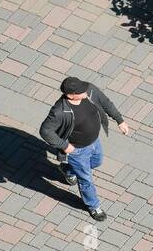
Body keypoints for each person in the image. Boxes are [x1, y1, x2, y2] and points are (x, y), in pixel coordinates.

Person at [38, 77, 130, 222]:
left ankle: (68, 169)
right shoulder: (60, 111)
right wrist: (66, 147)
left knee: (97, 162)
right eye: (81, 91)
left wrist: (119, 120)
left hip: (94, 142)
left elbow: (106, 103)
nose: (85, 91)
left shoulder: (90, 90)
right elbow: (45, 131)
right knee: (86, 179)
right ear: (70, 95)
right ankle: (93, 206)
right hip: (77, 150)